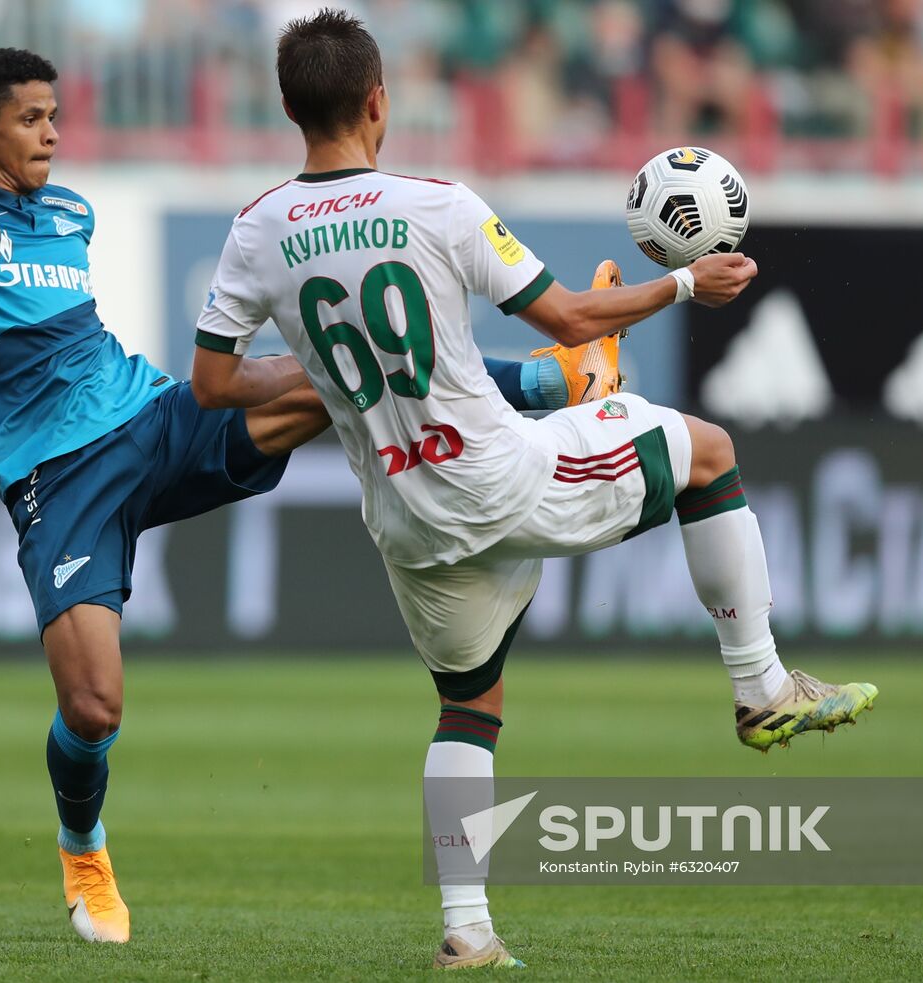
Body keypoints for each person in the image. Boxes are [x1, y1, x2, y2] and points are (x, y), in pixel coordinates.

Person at [0, 29, 605, 945]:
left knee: (337, 370)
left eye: (55, 117)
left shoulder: (68, 211)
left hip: (151, 417)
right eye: (30, 121)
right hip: (56, 478)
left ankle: (552, 381)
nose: (51, 135)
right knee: (93, 705)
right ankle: (83, 843)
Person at [189, 9, 879, 969]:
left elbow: (214, 384)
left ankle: (467, 931)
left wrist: (333, 378)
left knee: (470, 705)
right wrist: (684, 287)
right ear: (379, 100)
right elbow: (566, 314)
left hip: (406, 520)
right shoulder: (438, 205)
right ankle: (760, 685)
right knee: (710, 454)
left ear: (288, 107)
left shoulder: (257, 229)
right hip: (502, 477)